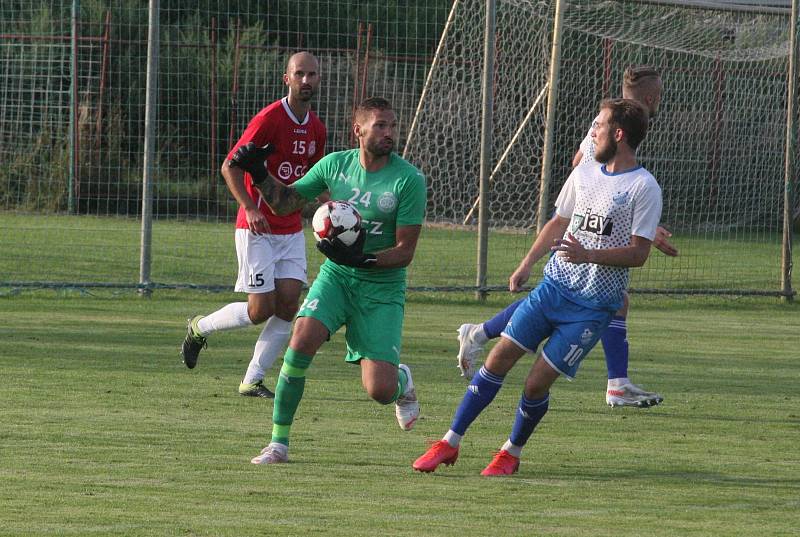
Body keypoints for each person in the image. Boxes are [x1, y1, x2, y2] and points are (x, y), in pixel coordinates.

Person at [413, 98, 662, 476]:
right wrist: (527, 263)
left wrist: (590, 254)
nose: (592, 133)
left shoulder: (644, 187)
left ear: (619, 134)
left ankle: (510, 452)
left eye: (600, 126)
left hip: (592, 307)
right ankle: (449, 442)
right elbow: (559, 222)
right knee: (497, 358)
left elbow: (640, 253)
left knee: (535, 384)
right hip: (553, 287)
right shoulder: (585, 173)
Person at [456, 66, 676, 408]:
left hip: (594, 214)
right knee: (566, 299)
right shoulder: (617, 124)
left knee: (606, 300)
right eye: (660, 95)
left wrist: (637, 221)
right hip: (583, 215)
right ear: (651, 98)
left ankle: (483, 333)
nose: (660, 100)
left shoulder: (611, 120)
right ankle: (615, 384)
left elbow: (580, 158)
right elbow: (587, 166)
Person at [231, 97, 427, 465]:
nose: (389, 133)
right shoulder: (335, 166)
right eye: (380, 125)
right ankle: (278, 444)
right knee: (300, 339)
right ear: (359, 130)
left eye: (392, 125)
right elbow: (285, 204)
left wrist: (364, 257)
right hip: (337, 277)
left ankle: (402, 382)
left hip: (381, 289)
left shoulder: (408, 180)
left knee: (379, 390)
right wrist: (259, 174)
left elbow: (405, 251)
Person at [180, 52, 327, 399]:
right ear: (286, 79)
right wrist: (249, 207)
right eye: (300, 74)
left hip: (290, 228)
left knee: (289, 303)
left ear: (319, 80)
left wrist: (329, 209)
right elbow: (229, 166)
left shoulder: (317, 128)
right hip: (257, 227)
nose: (306, 81)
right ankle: (199, 327)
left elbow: (316, 177)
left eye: (313, 75)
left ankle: (253, 379)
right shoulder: (269, 119)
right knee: (260, 310)